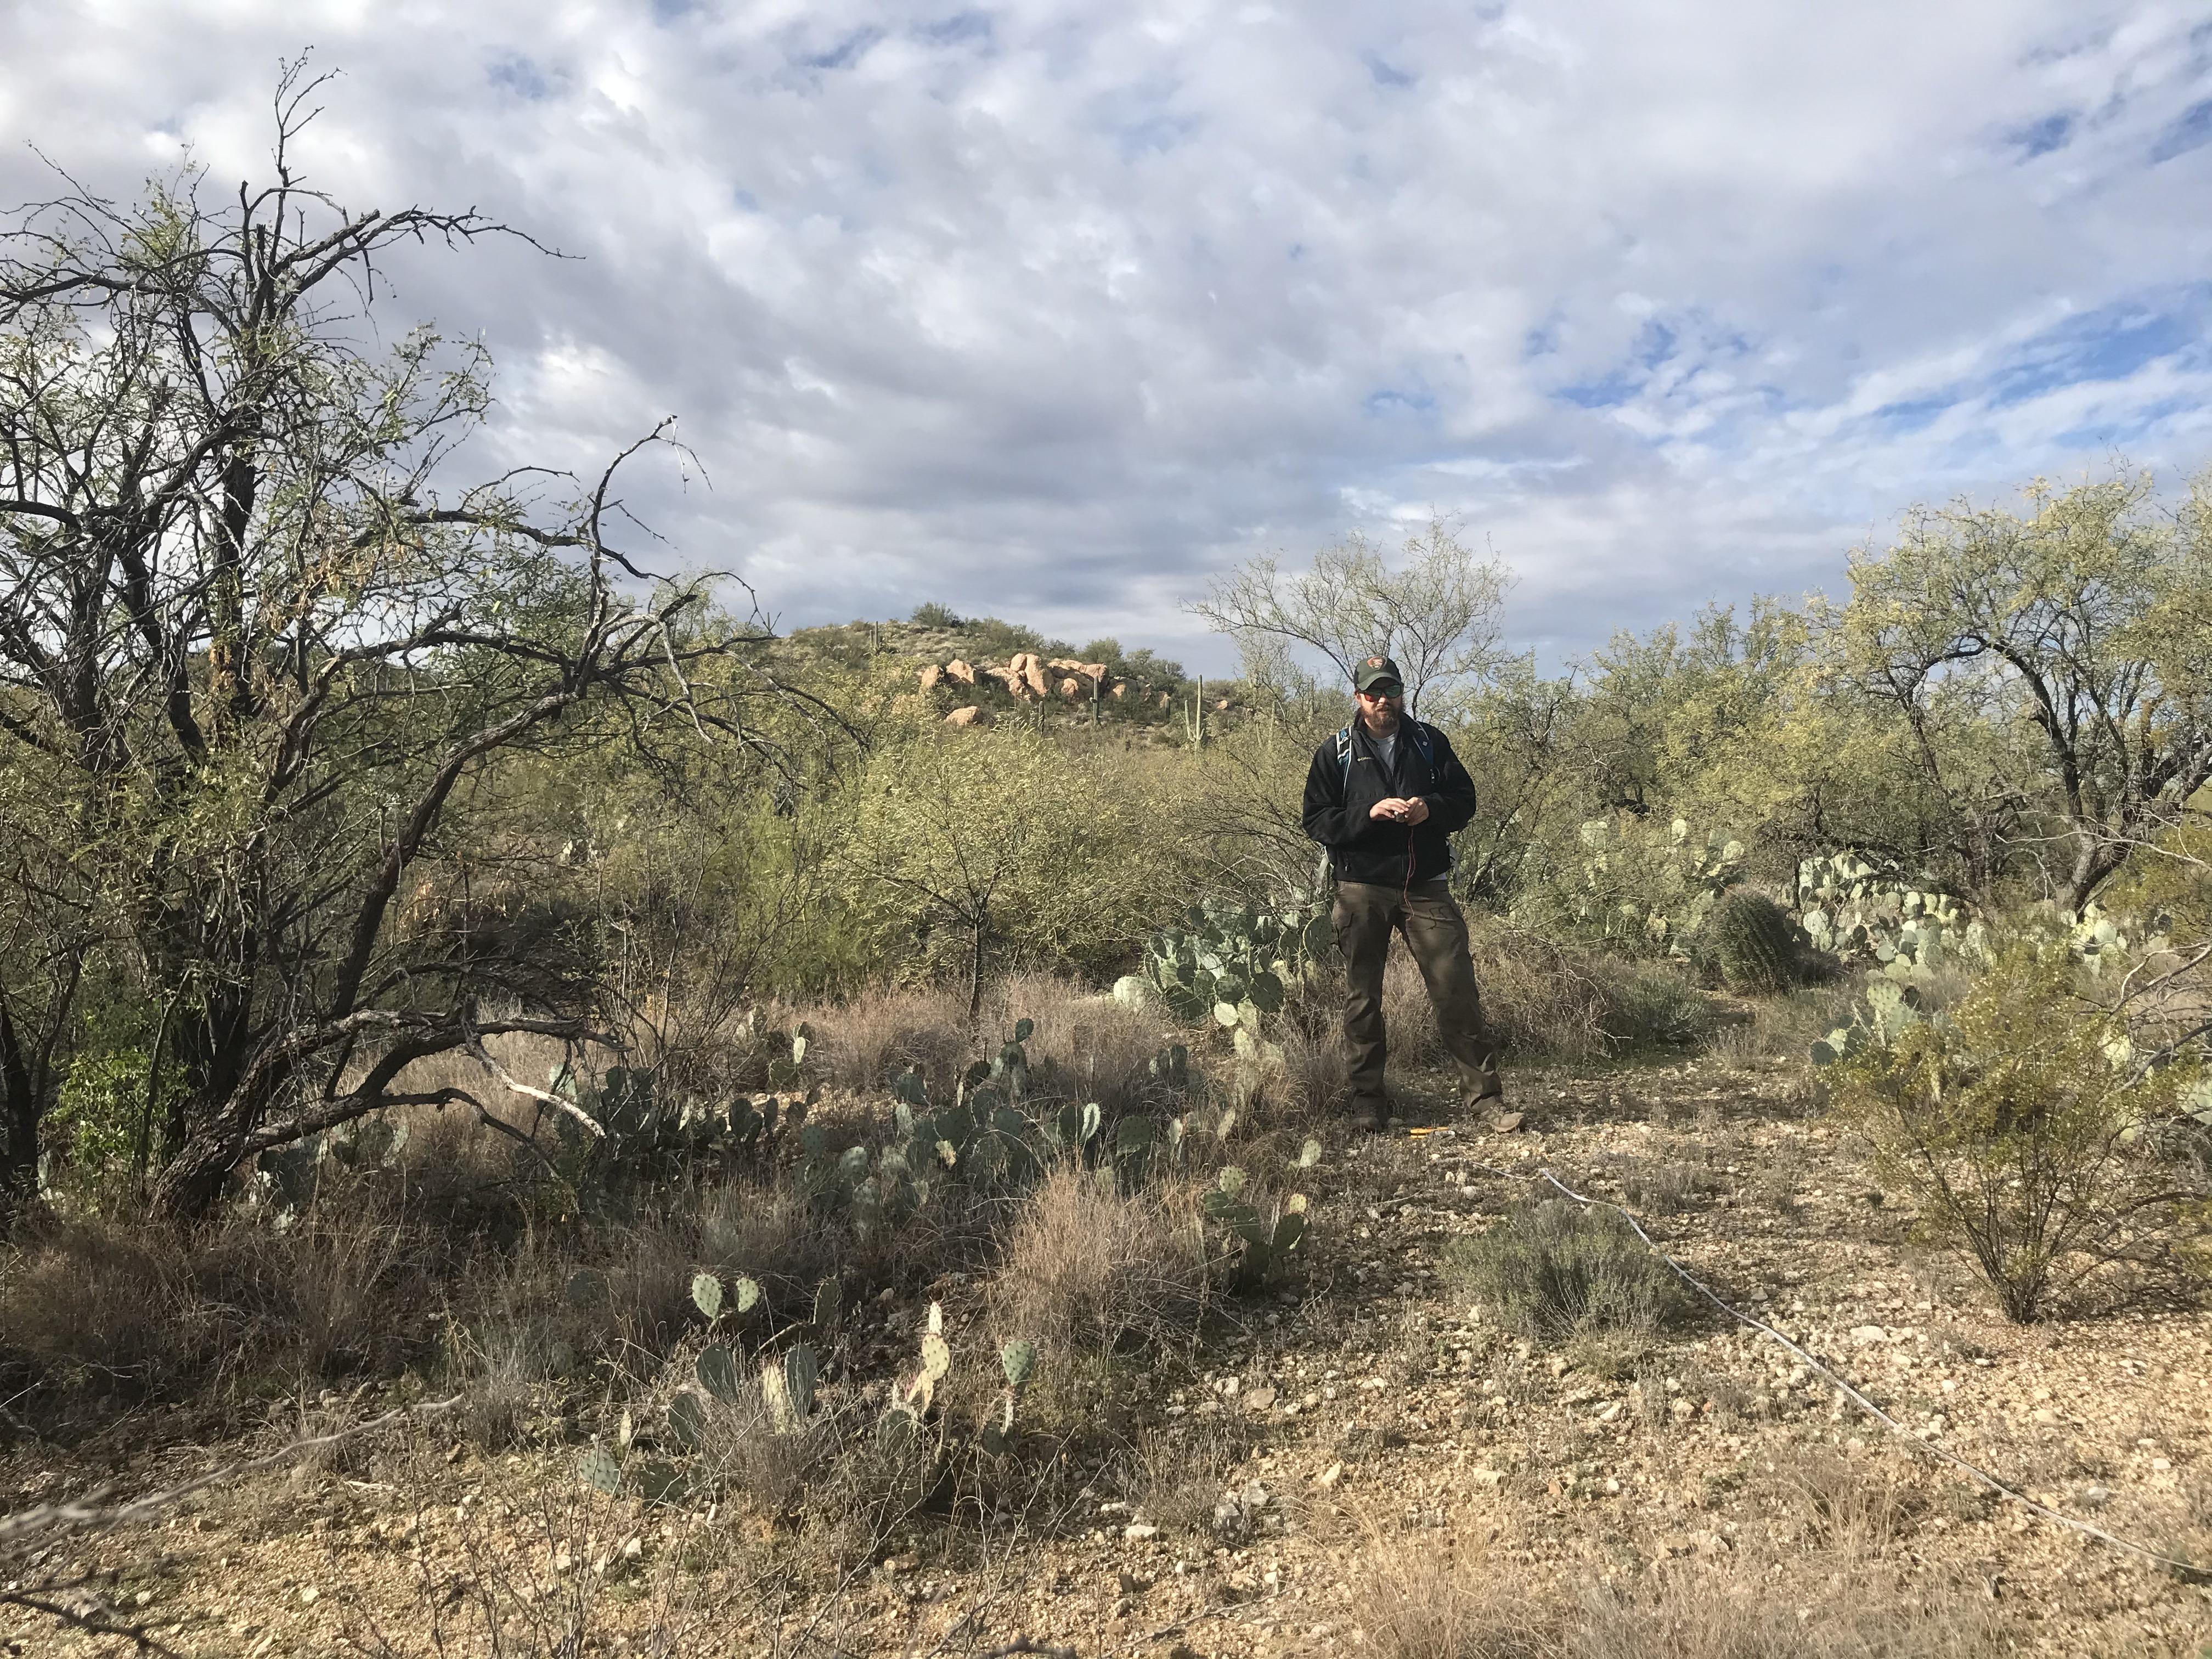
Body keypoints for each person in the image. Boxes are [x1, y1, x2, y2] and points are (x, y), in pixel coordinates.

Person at [1300, 655, 1508, 1133]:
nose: (1382, 701)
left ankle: (1486, 1101)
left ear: (1401, 693)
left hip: (1426, 885)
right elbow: (1316, 820)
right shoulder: (1336, 752)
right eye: (1372, 693)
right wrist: (1367, 814)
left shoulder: (1430, 742)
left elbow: (1464, 800)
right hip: (1362, 888)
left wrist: (1428, 810)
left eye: (1390, 691)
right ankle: (1368, 1101)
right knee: (1363, 997)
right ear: (1358, 698)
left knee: (1456, 989)